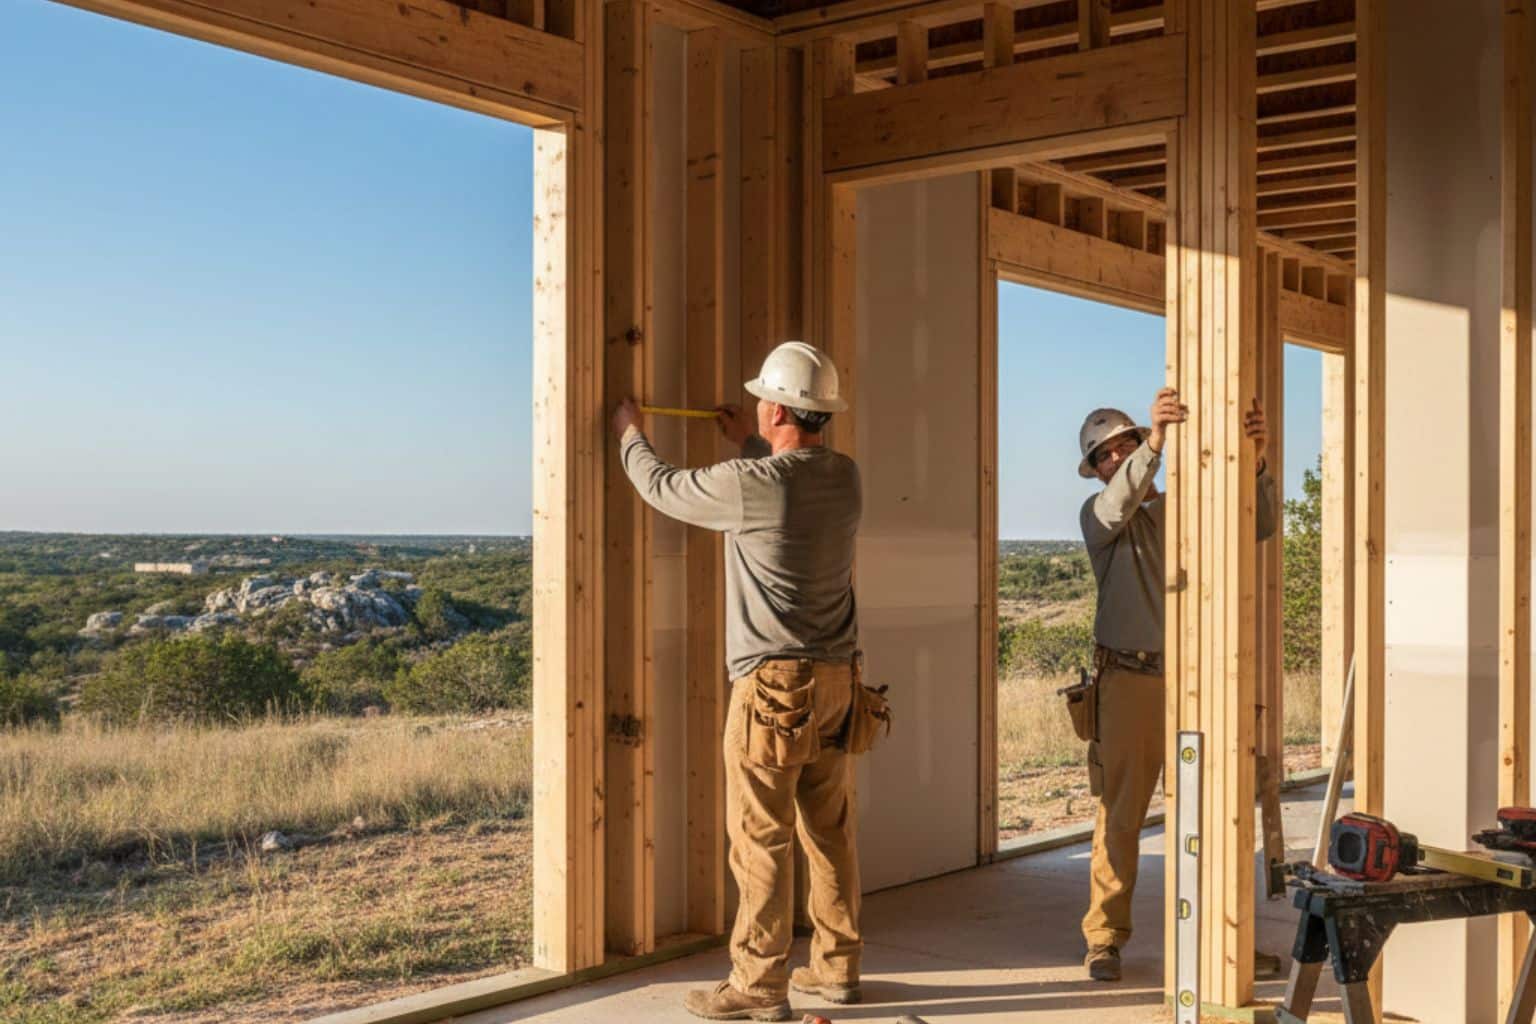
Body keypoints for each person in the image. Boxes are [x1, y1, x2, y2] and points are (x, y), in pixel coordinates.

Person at [610, 340, 865, 1023]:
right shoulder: (845, 477)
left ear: (779, 407)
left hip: (774, 688)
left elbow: (661, 487)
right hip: (840, 681)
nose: (755, 402)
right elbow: (786, 486)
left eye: (763, 399)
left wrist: (630, 435)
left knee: (762, 838)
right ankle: (837, 970)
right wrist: (750, 442)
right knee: (829, 831)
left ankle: (757, 984)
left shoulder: (751, 485)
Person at [1076, 387, 1278, 982]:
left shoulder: (1184, 513)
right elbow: (1118, 506)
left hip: (1196, 678)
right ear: (1097, 472)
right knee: (1121, 816)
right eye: (1107, 456)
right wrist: (1157, 443)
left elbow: (1257, 525)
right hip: (1129, 681)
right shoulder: (1099, 519)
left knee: (1214, 814)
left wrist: (1257, 460)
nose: (1118, 459)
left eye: (1126, 445)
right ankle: (1104, 939)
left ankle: (1226, 945)